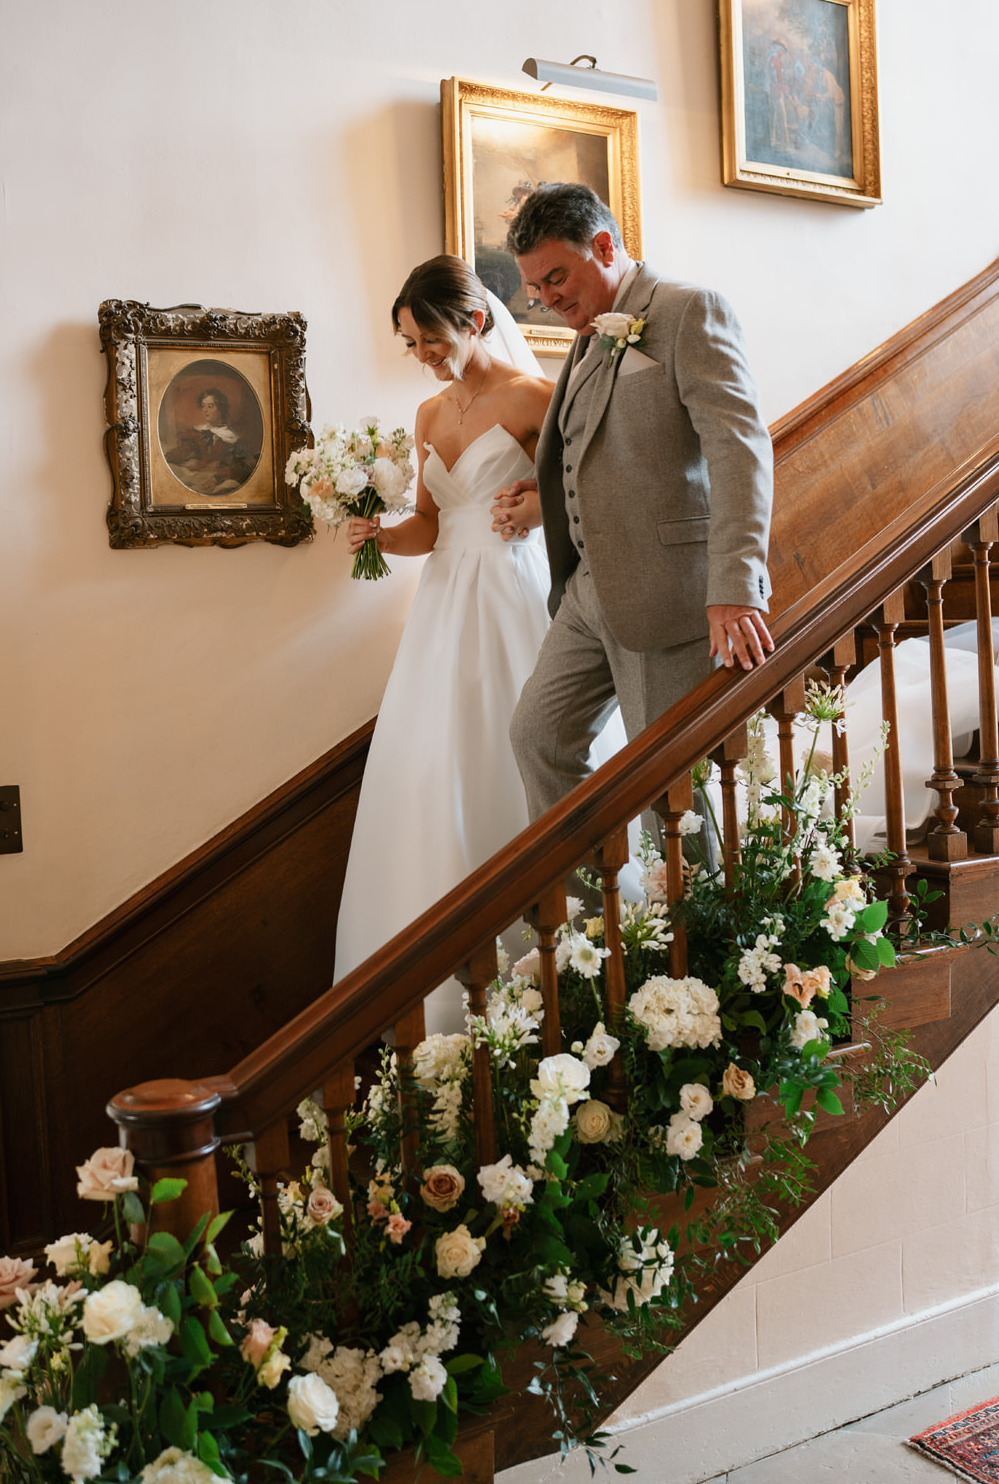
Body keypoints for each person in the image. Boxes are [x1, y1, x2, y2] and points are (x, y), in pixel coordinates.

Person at [495, 182, 775, 824]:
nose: (547, 298)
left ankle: (692, 924)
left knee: (673, 790)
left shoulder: (688, 311)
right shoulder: (587, 333)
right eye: (536, 287)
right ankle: (596, 921)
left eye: (557, 277)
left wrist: (735, 583)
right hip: (585, 593)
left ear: (603, 246)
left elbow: (740, 449)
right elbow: (599, 451)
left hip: (670, 592)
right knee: (537, 738)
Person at [332, 256, 560, 1036]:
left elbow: (586, 496)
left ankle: (542, 957)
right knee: (438, 761)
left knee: (515, 742)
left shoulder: (537, 398)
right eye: (410, 345)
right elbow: (431, 526)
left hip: (512, 593)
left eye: (428, 338)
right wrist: (377, 534)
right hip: (444, 608)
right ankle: (439, 982)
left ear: (472, 319)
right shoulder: (429, 417)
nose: (423, 357)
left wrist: (537, 510)